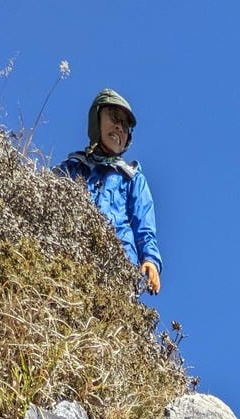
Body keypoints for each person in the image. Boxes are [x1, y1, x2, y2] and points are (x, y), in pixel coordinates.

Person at [57, 89, 162, 294]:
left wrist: (150, 259)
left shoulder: (132, 177)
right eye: (113, 117)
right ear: (96, 121)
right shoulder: (71, 168)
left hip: (118, 264)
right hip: (70, 256)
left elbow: (144, 224)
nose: (119, 127)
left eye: (125, 125)